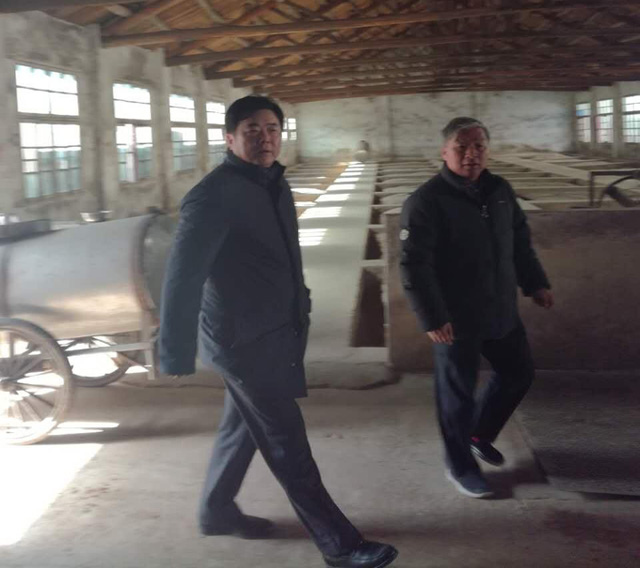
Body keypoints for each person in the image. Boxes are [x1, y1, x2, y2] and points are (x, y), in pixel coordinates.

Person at [158, 95, 398, 568]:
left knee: (241, 429)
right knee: (287, 441)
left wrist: (298, 308)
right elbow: (182, 277)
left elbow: (287, 255)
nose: (264, 138)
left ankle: (216, 511)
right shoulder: (213, 195)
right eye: (252, 129)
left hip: (276, 330)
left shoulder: (274, 184)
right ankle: (339, 544)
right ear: (229, 138)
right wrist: (175, 351)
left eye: (272, 129)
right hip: (241, 341)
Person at [399, 116, 553, 499]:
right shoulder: (426, 200)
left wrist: (535, 282)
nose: (471, 154)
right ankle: (460, 467)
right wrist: (432, 317)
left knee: (518, 372)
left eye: (479, 146)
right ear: (444, 151)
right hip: (455, 318)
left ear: (488, 150)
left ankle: (478, 435)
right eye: (462, 147)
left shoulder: (500, 190)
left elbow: (519, 241)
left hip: (500, 308)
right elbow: (414, 265)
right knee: (457, 395)